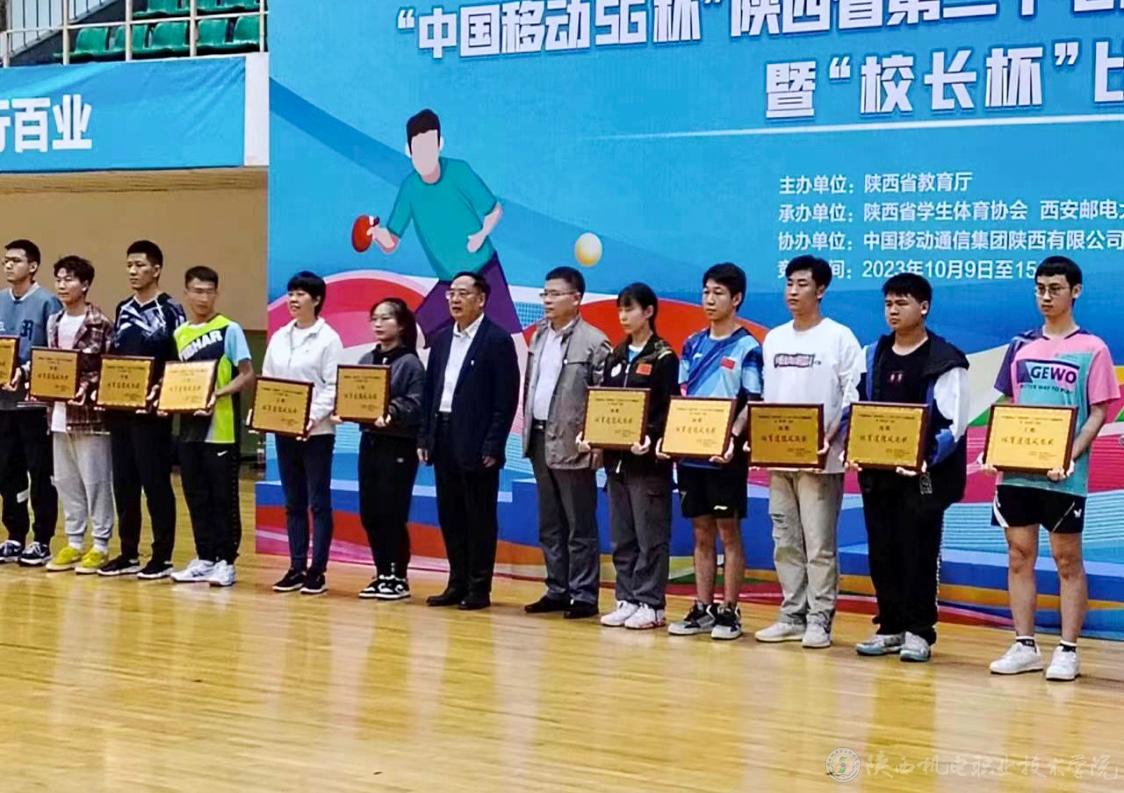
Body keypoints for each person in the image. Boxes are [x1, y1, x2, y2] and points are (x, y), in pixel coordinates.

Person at [986, 256, 1119, 682]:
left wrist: (1070, 455)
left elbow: (1100, 411)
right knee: (1018, 555)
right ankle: (1024, 645)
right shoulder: (1020, 345)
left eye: (1055, 289)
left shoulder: (1093, 348)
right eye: (1040, 288)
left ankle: (1068, 649)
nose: (1046, 296)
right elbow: (1010, 404)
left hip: (1064, 475)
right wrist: (996, 450)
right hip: (1017, 472)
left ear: (1075, 292)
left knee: (1066, 559)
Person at [849, 274, 970, 663]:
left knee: (919, 551)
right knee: (882, 552)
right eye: (888, 303)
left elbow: (954, 424)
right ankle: (890, 626)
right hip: (878, 474)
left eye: (902, 303)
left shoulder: (946, 359)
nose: (893, 310)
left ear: (924, 307)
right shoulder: (872, 355)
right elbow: (855, 408)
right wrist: (854, 448)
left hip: (923, 477)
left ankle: (919, 631)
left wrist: (923, 459)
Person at [753, 256, 862, 649]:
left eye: (802, 284)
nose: (793, 291)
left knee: (819, 543)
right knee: (784, 538)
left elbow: (852, 395)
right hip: (779, 457)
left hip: (821, 459)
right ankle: (792, 614)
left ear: (821, 290)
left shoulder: (839, 338)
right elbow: (766, 396)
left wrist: (830, 436)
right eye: (789, 283)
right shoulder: (775, 339)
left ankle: (820, 618)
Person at [661, 263, 763, 641]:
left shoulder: (748, 347)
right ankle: (703, 607)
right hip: (691, 453)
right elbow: (683, 395)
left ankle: (729, 610)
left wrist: (732, 438)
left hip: (726, 455)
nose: (709, 299)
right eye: (706, 291)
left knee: (728, 531)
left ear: (736, 299)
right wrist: (674, 438)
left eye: (718, 293)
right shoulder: (692, 343)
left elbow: (753, 400)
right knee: (700, 531)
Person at [367, 109, 521, 343]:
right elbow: (391, 242)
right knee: (413, 336)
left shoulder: (459, 172)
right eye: (419, 149)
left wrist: (481, 235)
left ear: (440, 144)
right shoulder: (409, 188)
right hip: (449, 285)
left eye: (430, 147)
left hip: (484, 271)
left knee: (514, 341)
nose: (425, 156)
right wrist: (376, 234)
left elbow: (494, 210)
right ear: (408, 151)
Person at [418, 271, 518, 610]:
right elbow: (431, 392)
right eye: (452, 293)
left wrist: (494, 445)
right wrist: (426, 437)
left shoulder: (497, 340)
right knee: (450, 514)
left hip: (477, 442)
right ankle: (456, 582)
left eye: (463, 293)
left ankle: (478, 587)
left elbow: (505, 400)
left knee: (479, 516)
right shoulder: (442, 339)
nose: (455, 299)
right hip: (443, 435)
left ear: (482, 299)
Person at [586, 283, 678, 630]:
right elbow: (603, 404)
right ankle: (626, 598)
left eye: (630, 309)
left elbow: (668, 408)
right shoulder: (616, 356)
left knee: (650, 536)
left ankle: (651, 603)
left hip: (648, 463)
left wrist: (652, 437)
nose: (623, 316)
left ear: (649, 311)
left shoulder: (663, 357)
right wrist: (592, 434)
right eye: (620, 310)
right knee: (622, 536)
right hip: (616, 462)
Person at [522, 266, 612, 620]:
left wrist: (594, 439)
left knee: (579, 522)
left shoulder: (594, 341)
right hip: (539, 435)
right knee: (550, 520)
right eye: (545, 293)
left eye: (555, 294)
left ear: (576, 298)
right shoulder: (539, 336)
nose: (547, 300)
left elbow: (603, 396)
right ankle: (557, 588)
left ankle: (584, 594)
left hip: (574, 440)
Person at [98, 240, 185, 579]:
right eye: (129, 266)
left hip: (153, 413)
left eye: (140, 265)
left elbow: (179, 361)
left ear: (156, 269)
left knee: (155, 483)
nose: (133, 272)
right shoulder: (123, 308)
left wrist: (162, 392)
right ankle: (128, 552)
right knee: (124, 483)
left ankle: (162, 556)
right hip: (120, 408)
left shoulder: (171, 310)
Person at [169, 266, 255, 588]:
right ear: (186, 293)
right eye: (197, 291)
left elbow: (247, 374)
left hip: (221, 429)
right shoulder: (179, 334)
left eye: (208, 292)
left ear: (216, 293)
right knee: (196, 495)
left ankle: (226, 561)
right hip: (188, 429)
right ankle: (204, 557)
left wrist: (218, 393)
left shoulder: (229, 329)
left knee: (223, 498)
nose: (202, 298)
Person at [263, 271, 344, 596]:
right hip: (284, 431)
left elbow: (333, 387)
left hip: (317, 433)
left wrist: (308, 419)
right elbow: (269, 380)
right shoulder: (280, 336)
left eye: (300, 294)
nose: (293, 300)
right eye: (291, 293)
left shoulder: (329, 339)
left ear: (317, 299)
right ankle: (296, 566)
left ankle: (317, 570)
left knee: (318, 502)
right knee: (293, 501)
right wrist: (267, 413)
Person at [342, 298, 424, 601]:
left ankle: (397, 575)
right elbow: (355, 395)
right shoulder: (367, 359)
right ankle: (381, 572)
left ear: (401, 325)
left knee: (392, 511)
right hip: (370, 441)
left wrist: (391, 412)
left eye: (385, 318)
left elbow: (415, 403)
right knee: (371, 512)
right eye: (374, 318)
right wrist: (345, 409)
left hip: (398, 444)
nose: (378, 324)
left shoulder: (410, 363)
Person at [42, 256, 115, 574]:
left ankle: (100, 544)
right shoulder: (54, 321)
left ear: (85, 285)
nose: (62, 285)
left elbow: (109, 368)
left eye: (69, 279)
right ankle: (74, 541)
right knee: (65, 480)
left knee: (95, 480)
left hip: (89, 416)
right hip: (57, 414)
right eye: (59, 279)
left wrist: (87, 386)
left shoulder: (100, 323)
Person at [0, 239, 61, 566]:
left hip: (33, 405)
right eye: (5, 260)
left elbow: (54, 353)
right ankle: (14, 534)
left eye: (16, 260)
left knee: (39, 471)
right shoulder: (0, 300)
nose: (9, 265)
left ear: (33, 266)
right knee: (7, 471)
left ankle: (41, 539)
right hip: (3, 403)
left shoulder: (47, 302)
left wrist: (24, 371)